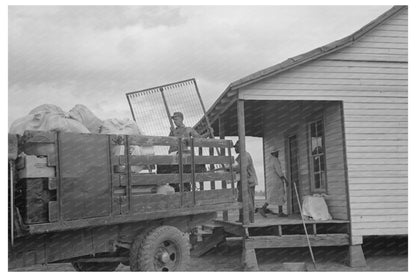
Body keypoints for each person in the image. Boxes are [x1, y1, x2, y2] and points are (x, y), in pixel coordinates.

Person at [232, 140, 258, 223]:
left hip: (248, 182)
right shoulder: (240, 156)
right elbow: (234, 165)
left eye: (236, 147)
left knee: (248, 201)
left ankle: (250, 219)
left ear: (240, 147)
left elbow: (240, 167)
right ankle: (242, 218)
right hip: (243, 182)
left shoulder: (245, 156)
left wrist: (230, 168)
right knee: (241, 200)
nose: (235, 149)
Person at [259, 150, 288, 217]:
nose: (278, 153)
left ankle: (280, 212)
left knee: (279, 196)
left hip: (272, 180)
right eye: (277, 152)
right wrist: (285, 180)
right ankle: (263, 208)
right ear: (273, 153)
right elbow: (279, 171)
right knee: (273, 196)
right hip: (276, 181)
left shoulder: (270, 160)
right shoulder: (275, 160)